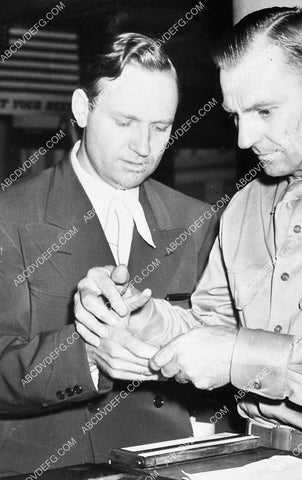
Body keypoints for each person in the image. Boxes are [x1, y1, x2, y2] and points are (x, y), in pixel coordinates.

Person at [75, 7, 302, 458]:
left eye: (264, 111)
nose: (244, 138)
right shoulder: (245, 205)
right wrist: (144, 320)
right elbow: (214, 326)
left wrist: (241, 357)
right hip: (258, 456)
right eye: (235, 116)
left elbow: (235, 349)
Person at [0, 32, 219, 476]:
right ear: (83, 109)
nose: (144, 147)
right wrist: (90, 356)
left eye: (161, 128)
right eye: (125, 122)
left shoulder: (200, 220)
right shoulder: (10, 216)